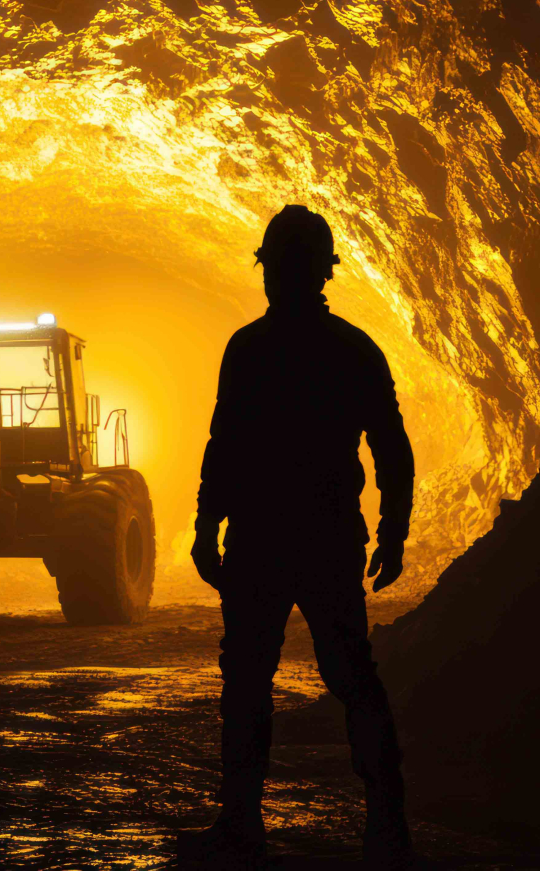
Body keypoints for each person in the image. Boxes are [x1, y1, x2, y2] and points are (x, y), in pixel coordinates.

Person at [186, 205, 415, 868]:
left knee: (249, 682)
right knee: (351, 677)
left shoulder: (248, 348)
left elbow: (223, 447)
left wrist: (208, 525)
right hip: (326, 538)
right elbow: (390, 449)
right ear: (325, 272)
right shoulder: (352, 349)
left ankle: (240, 823)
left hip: (261, 540)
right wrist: (393, 531)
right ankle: (387, 825)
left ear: (271, 272)